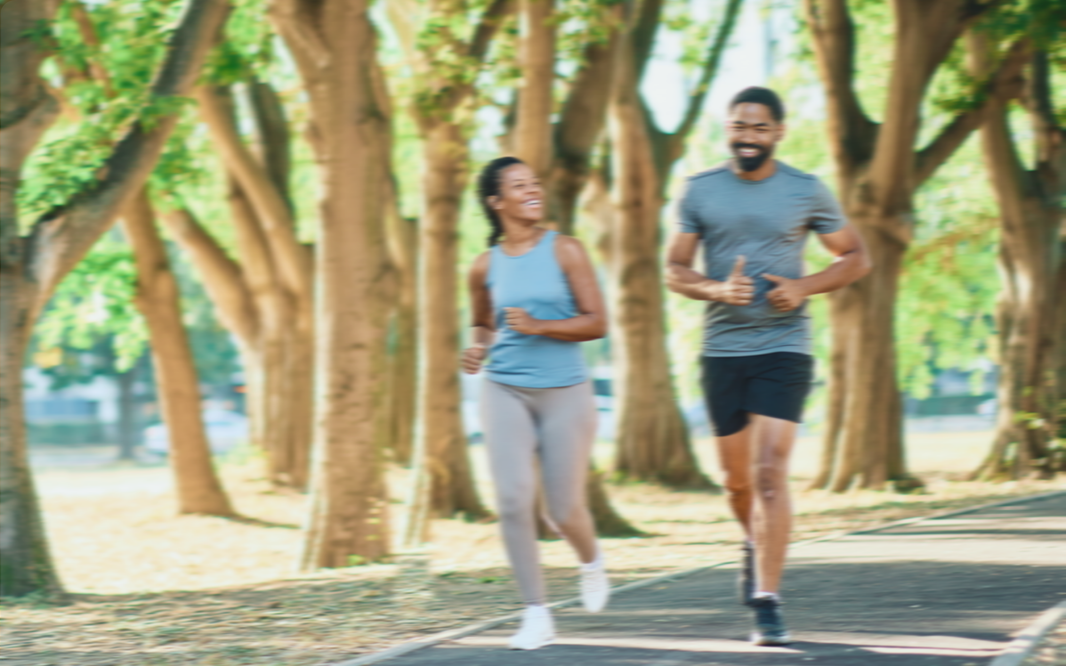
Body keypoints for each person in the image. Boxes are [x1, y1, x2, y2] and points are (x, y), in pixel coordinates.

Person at [665, 86, 871, 646]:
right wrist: (716, 289)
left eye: (759, 128)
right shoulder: (700, 191)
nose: (747, 137)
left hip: (785, 348)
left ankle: (768, 601)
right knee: (736, 484)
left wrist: (804, 286)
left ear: (778, 133)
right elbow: (674, 269)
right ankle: (753, 542)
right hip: (722, 352)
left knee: (769, 474)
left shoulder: (805, 191)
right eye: (739, 126)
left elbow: (855, 256)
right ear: (727, 130)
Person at [461, 156, 611, 650]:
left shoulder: (567, 250)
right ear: (495, 202)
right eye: (519, 186)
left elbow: (596, 322)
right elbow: (484, 322)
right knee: (510, 499)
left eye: (536, 183)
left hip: (565, 391)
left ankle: (590, 561)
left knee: (563, 510)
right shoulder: (484, 266)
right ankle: (536, 613)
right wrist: (478, 346)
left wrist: (541, 325)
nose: (533, 191)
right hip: (504, 387)